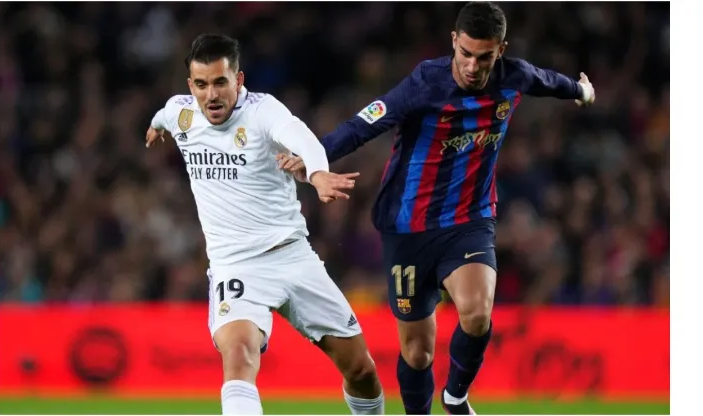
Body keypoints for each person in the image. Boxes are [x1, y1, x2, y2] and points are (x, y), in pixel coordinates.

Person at [277, 2, 595, 414]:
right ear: (453, 43)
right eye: (465, 53)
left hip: (469, 219)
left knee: (477, 314)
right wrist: (315, 159)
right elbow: (363, 123)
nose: (473, 66)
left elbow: (550, 81)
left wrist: (581, 90)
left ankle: (456, 397)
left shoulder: (513, 76)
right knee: (418, 354)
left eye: (484, 57)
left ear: (500, 50)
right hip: (408, 227)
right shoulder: (425, 82)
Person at [146, 33, 385, 415]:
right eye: (202, 85)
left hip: (292, 257)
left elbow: (300, 136)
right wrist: (156, 128)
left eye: (221, 82)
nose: (212, 95)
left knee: (360, 369)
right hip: (236, 267)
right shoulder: (180, 113)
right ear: (191, 86)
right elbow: (163, 115)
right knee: (239, 356)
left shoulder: (262, 111)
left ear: (238, 81)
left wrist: (319, 172)